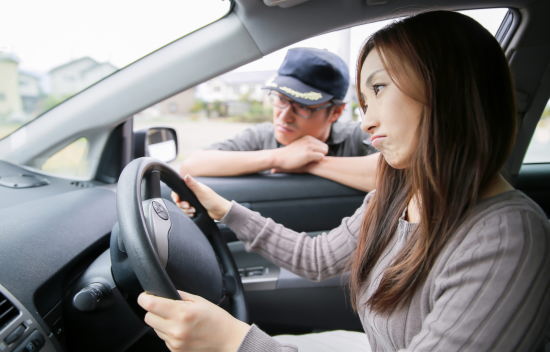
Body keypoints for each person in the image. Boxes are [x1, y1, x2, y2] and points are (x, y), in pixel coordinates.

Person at [137, 11, 550, 352]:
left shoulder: (507, 236)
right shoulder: (397, 197)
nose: (368, 121)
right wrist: (225, 209)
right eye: (364, 101)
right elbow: (315, 259)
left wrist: (236, 342)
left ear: (448, 87)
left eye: (379, 88)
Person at [179, 47, 380, 193]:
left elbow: (396, 174)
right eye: (282, 100)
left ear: (335, 112)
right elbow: (192, 165)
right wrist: (279, 157)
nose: (284, 116)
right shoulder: (261, 136)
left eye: (302, 107)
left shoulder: (355, 136)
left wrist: (312, 163)